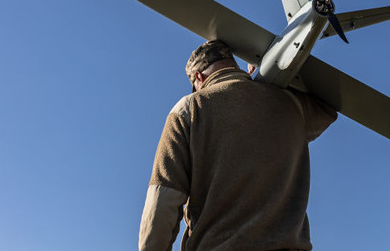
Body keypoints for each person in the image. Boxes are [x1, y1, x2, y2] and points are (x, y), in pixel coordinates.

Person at [139, 40, 337, 251]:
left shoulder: (189, 108)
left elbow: (163, 201)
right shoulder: (291, 104)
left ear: (198, 77)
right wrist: (278, 79)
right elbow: (328, 108)